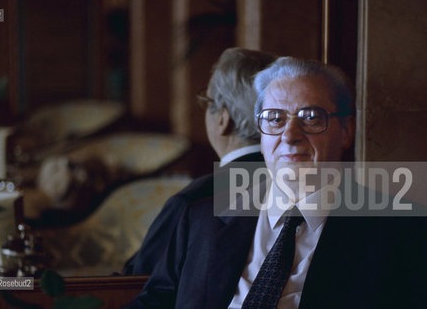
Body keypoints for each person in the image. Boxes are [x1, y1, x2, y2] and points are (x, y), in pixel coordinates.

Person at [124, 57, 427, 308]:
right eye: (274, 118)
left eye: (311, 117)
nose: (290, 135)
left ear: (346, 130)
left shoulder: (400, 232)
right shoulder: (202, 217)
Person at [122, 48, 276, 275]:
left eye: (206, 100)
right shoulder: (314, 183)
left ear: (223, 119)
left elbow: (134, 283)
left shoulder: (195, 200)